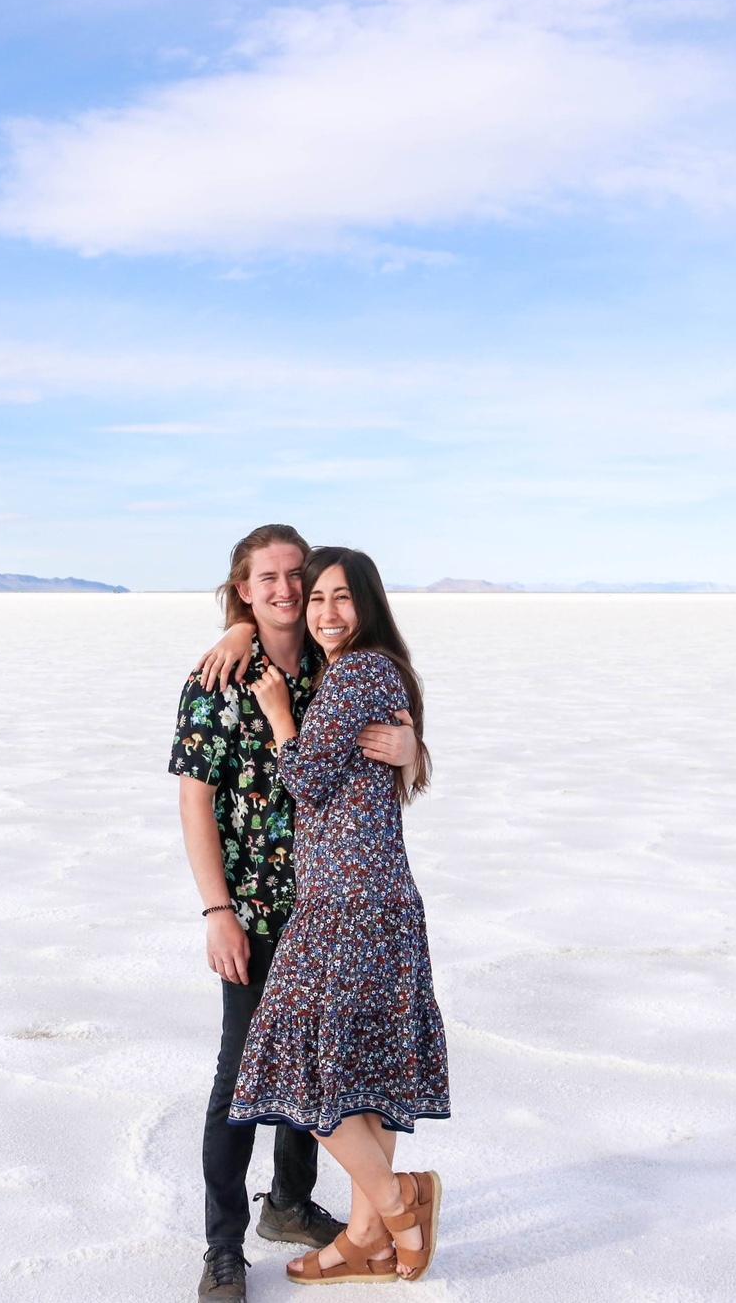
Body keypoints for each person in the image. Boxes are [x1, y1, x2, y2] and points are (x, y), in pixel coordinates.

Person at [169, 525, 420, 1302]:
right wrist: (217, 909)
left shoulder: (331, 662)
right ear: (242, 590)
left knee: (319, 1066)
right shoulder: (217, 678)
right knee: (243, 1074)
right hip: (252, 907)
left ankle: (289, 1203)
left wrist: (410, 747)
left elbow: (373, 743)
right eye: (266, 580)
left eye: (295, 578)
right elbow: (194, 800)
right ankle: (222, 1246)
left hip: (329, 908)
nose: (286, 592)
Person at [228, 545, 450, 1286]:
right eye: (316, 598)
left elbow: (307, 778)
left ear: (370, 605)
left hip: (347, 902)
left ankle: (398, 1199)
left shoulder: (357, 671)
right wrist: (237, 629)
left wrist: (277, 712)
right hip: (374, 897)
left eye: (341, 599)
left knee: (306, 1069)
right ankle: (366, 1238)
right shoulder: (368, 670)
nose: (325, 612)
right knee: (363, 1068)